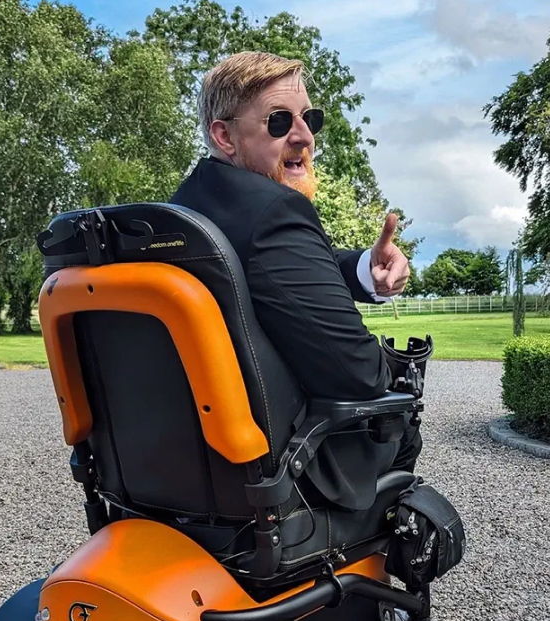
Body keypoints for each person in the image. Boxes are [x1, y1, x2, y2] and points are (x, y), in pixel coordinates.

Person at [170, 51, 421, 510]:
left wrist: (365, 267)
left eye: (310, 117)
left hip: (178, 468)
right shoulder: (274, 212)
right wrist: (392, 373)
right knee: (400, 419)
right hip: (280, 477)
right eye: (279, 121)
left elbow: (264, 268)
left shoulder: (182, 214)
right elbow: (359, 375)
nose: (304, 135)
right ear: (224, 135)